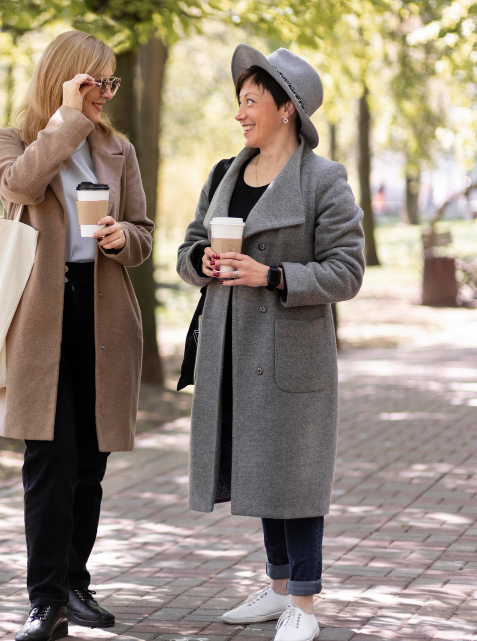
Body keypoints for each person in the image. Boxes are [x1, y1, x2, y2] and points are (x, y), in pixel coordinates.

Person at [176, 45, 366, 641]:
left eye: (251, 101)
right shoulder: (222, 175)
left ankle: (303, 608)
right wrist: (201, 261)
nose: (240, 113)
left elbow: (348, 271)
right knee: (260, 470)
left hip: (291, 356)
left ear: (287, 109)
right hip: (231, 349)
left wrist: (274, 276)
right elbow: (186, 250)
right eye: (240, 101)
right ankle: (278, 588)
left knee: (297, 475)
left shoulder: (324, 180)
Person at [0, 30, 155, 641]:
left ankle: (76, 583)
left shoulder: (119, 149)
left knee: (90, 460)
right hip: (41, 314)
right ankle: (46, 601)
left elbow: (143, 230)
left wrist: (122, 239)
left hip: (103, 309)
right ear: (65, 78)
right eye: (95, 81)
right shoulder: (14, 138)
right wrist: (64, 121)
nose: (105, 93)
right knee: (48, 458)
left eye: (110, 82)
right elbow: (19, 186)